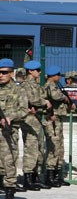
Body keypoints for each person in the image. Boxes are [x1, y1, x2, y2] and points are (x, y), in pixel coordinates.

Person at [18, 61, 50, 191]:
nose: (39, 72)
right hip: (29, 119)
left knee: (38, 148)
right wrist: (45, 101)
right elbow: (31, 100)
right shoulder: (26, 85)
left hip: (37, 118)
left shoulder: (36, 85)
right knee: (31, 148)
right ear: (30, 71)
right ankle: (27, 179)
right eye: (37, 70)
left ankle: (34, 177)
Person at [0, 58, 27, 199]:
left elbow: (24, 111)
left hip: (9, 131)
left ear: (11, 73)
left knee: (9, 162)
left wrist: (11, 117)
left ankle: (9, 194)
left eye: (4, 72)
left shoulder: (19, 90)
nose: (0, 75)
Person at [43, 65, 74, 187]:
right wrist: (65, 98)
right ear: (54, 75)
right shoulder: (50, 86)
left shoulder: (56, 86)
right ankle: (50, 176)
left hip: (57, 120)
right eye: (58, 75)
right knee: (54, 147)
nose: (59, 77)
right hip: (52, 120)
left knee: (60, 148)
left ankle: (57, 175)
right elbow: (56, 96)